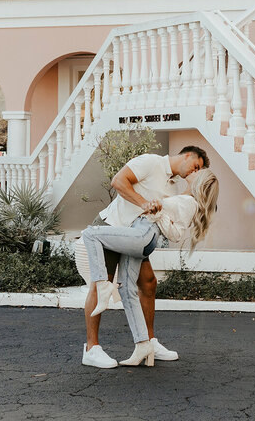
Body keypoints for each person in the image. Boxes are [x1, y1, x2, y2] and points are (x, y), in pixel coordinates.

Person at [79, 146, 215, 368]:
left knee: (149, 283)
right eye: (196, 166)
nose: (194, 171)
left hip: (135, 237)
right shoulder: (151, 162)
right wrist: (143, 203)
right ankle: (92, 348)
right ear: (188, 155)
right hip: (113, 226)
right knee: (101, 284)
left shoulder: (173, 185)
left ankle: (148, 342)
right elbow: (118, 181)